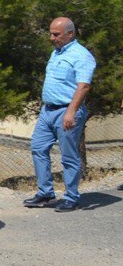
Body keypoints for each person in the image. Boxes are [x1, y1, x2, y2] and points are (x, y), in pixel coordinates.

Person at [23, 17, 95, 212]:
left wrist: (71, 112)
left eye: (56, 34)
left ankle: (71, 197)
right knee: (38, 148)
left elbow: (84, 86)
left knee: (69, 156)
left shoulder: (81, 55)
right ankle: (45, 193)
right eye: (51, 33)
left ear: (70, 34)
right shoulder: (56, 53)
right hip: (48, 111)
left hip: (67, 111)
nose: (51, 38)